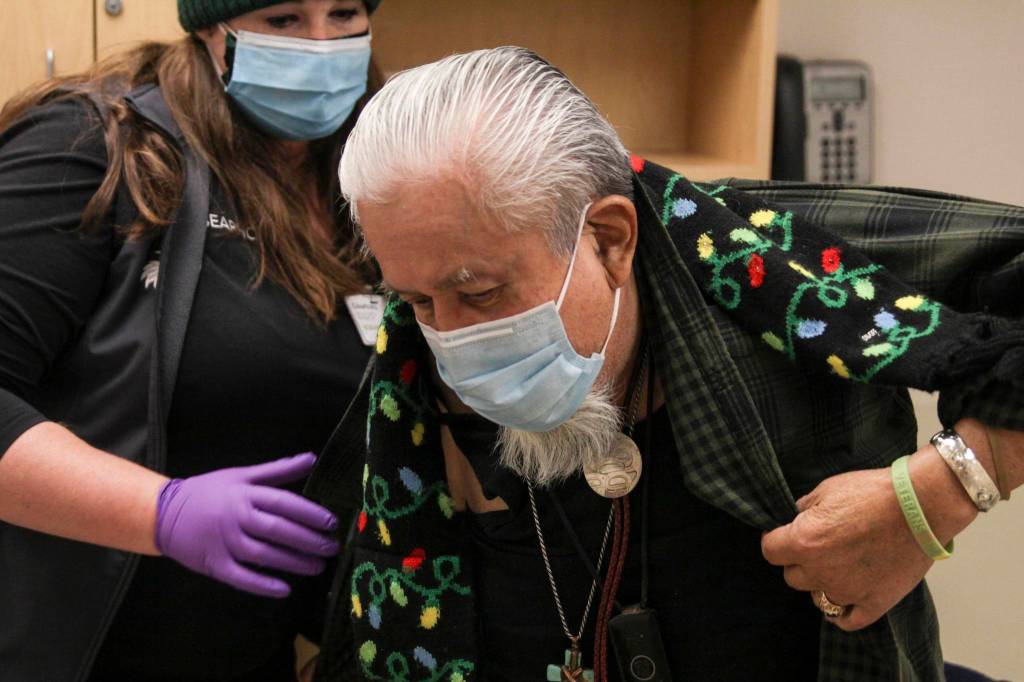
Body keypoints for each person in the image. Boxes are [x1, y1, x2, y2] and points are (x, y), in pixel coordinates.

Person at [304, 47, 1024, 681]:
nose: (452, 340)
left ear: (611, 239)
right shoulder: (409, 385)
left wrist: (943, 491)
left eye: (481, 293)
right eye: (418, 302)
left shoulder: (777, 270)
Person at [0, 1, 385, 680]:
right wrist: (162, 512)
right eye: (286, 20)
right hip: (73, 651)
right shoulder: (99, 145)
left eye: (344, 12)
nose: (322, 44)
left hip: (254, 651)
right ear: (212, 28)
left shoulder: (376, 169)